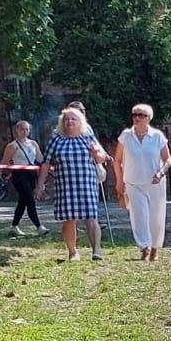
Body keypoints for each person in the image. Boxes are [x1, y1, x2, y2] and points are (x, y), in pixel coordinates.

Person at [35, 107, 108, 261]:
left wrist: (96, 153)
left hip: (87, 183)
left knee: (91, 217)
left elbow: (101, 158)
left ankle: (96, 251)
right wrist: (40, 184)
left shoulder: (88, 137)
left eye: (73, 119)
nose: (69, 121)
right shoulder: (56, 139)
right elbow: (46, 163)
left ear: (80, 121)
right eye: (66, 119)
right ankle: (73, 252)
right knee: (69, 219)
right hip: (65, 185)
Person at [114, 103, 171, 261]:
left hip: (154, 183)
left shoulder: (157, 136)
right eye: (134, 115)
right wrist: (119, 181)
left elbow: (168, 159)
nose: (137, 118)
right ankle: (144, 247)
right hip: (133, 182)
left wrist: (161, 173)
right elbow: (117, 160)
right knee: (139, 215)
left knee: (156, 216)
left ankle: (155, 247)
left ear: (148, 118)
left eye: (141, 115)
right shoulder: (126, 136)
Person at [0, 121, 47, 235]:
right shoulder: (12, 146)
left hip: (31, 174)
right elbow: (4, 161)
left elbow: (40, 159)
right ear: (17, 131)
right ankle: (39, 226)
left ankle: (14, 226)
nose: (25, 132)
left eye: (27, 129)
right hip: (19, 175)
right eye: (22, 129)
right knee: (30, 200)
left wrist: (46, 167)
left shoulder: (33, 143)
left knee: (22, 202)